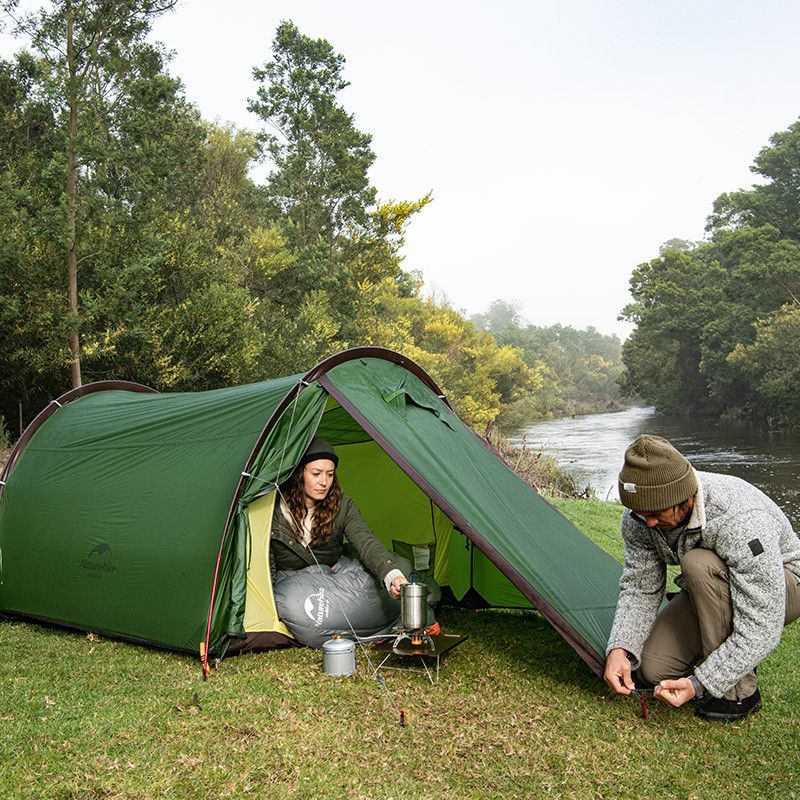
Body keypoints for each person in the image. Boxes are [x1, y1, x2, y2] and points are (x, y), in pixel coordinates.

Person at [604, 434, 800, 722]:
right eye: (640, 514)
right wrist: (621, 649)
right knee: (653, 670)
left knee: (697, 563)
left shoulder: (741, 520)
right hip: (715, 584)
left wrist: (700, 684)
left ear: (686, 498)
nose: (649, 523)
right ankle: (721, 654)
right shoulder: (640, 520)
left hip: (786, 583)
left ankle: (739, 693)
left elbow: (763, 622)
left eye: (656, 514)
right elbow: (640, 588)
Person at [270, 436, 408, 599]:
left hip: (333, 576)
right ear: (299, 474)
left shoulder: (343, 505)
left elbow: (365, 540)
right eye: (316, 473)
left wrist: (392, 575)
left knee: (401, 566)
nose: (324, 482)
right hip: (291, 584)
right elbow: (265, 564)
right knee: (290, 602)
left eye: (330, 474)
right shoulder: (273, 510)